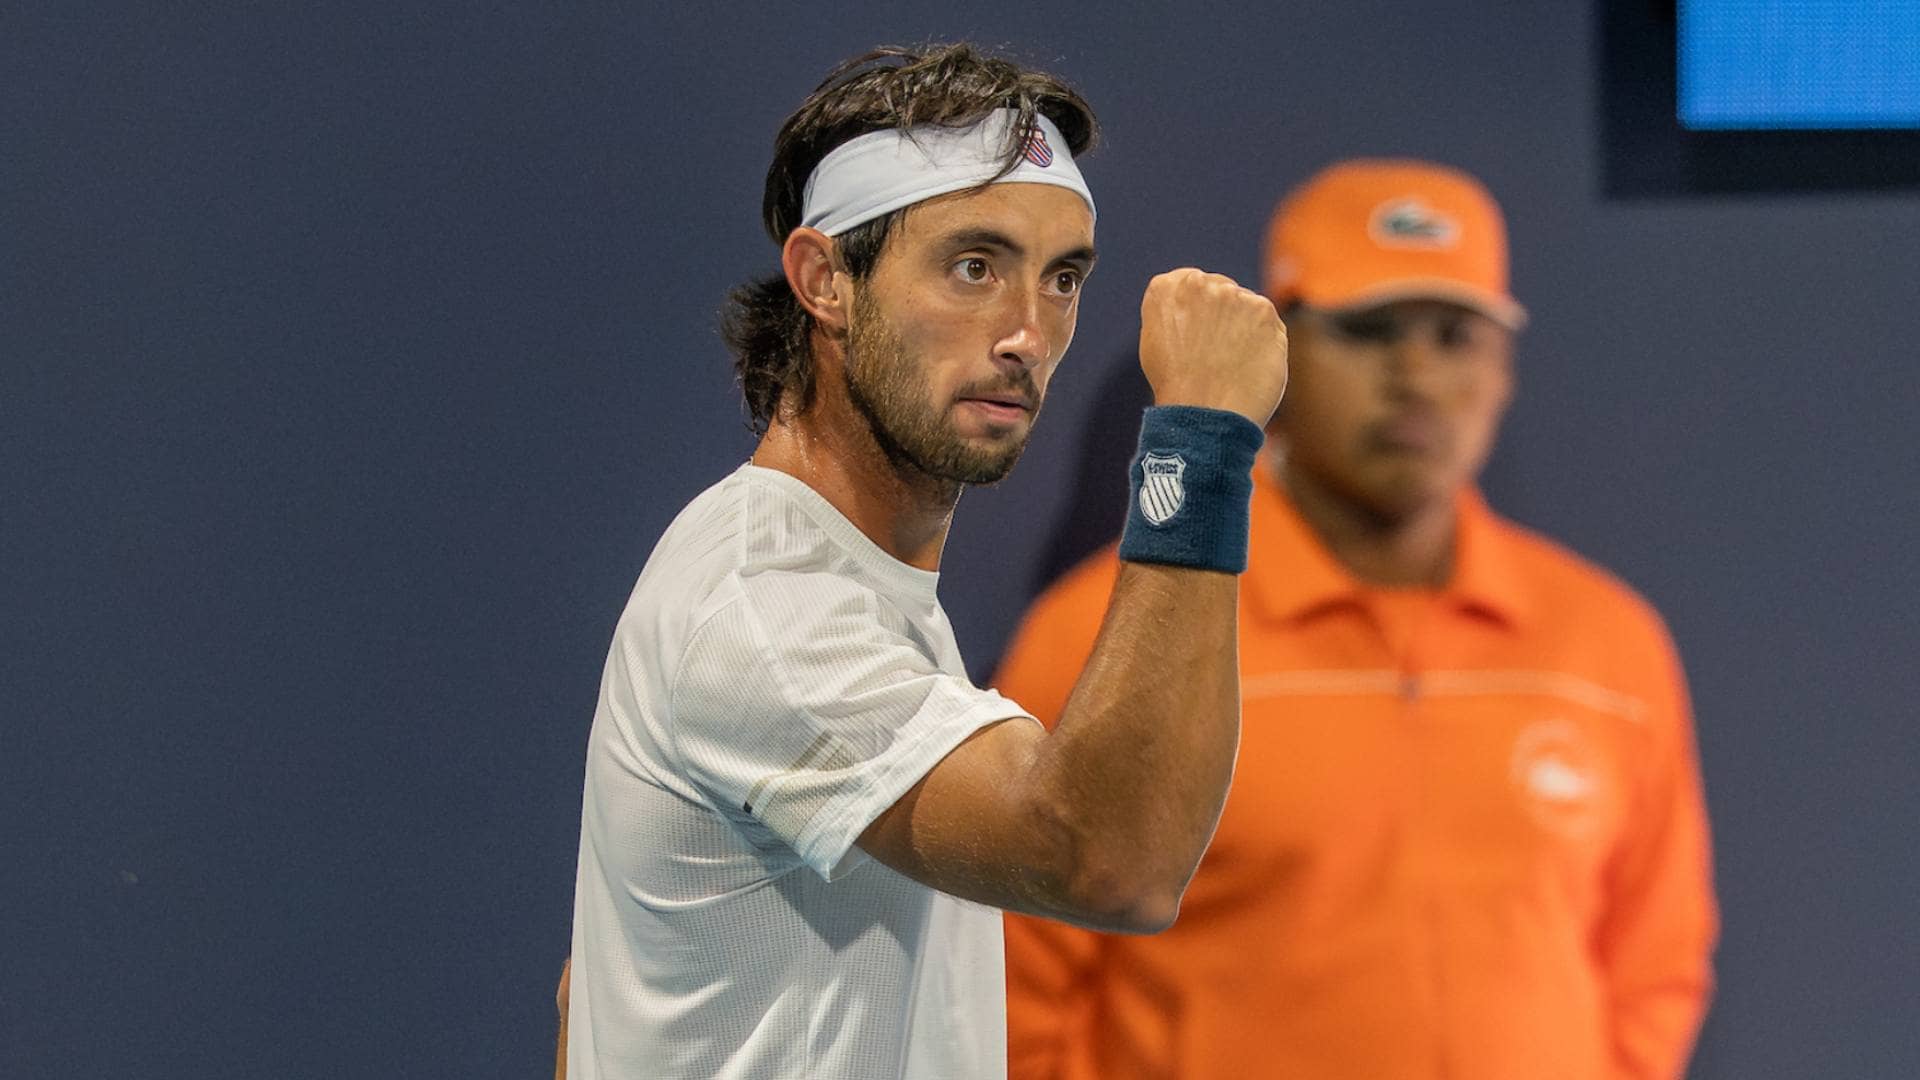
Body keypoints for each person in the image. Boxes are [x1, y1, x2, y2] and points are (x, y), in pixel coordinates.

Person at [562, 43, 1290, 1079]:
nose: (1028, 334)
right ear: (826, 281)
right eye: (973, 266)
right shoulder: (768, 605)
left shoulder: (846, 584)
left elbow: (587, 990)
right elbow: (1110, 859)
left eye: (1063, 279)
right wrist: (1200, 442)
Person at [997, 159, 1718, 1080]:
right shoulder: (1111, 632)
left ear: (1503, 371)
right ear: (1274, 356)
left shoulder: (1608, 642)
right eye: (1368, 331)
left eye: (1455, 337)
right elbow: (1012, 985)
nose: (1417, 376)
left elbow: (1656, 960)